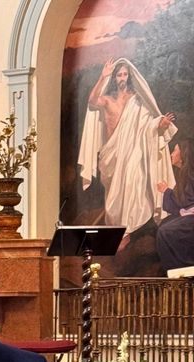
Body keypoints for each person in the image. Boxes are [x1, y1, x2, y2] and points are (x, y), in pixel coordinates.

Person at [78, 57, 177, 250]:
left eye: (125, 74)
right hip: (111, 156)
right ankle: (118, 230)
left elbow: (148, 125)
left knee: (133, 183)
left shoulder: (137, 101)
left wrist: (160, 124)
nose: (122, 78)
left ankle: (127, 231)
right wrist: (102, 76)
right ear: (114, 78)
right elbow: (92, 101)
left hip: (133, 152)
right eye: (118, 75)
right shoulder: (107, 100)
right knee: (114, 197)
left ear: (129, 77)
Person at [156, 140, 194, 270]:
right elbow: (179, 203)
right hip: (187, 216)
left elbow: (186, 200)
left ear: (183, 154)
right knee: (164, 226)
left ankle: (180, 268)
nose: (172, 154)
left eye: (175, 151)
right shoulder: (183, 173)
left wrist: (166, 191)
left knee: (165, 231)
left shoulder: (190, 174)